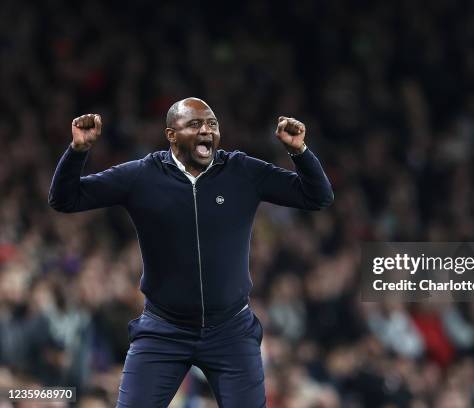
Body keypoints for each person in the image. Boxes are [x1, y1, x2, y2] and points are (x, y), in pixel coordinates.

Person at [48, 97, 334, 407]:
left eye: (212, 125)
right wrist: (77, 151)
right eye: (195, 124)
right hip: (164, 330)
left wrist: (299, 151)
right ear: (171, 134)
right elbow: (65, 199)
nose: (206, 131)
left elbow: (318, 196)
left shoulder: (242, 170)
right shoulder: (142, 175)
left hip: (231, 331)